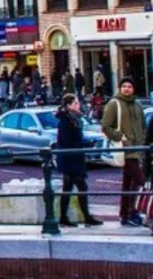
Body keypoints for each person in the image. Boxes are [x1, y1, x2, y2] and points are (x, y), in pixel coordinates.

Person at [101, 78, 147, 226]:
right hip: (124, 150)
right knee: (140, 181)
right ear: (120, 88)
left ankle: (125, 215)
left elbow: (143, 126)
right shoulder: (114, 104)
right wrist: (121, 137)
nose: (127, 89)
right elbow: (106, 127)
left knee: (128, 183)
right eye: (124, 86)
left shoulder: (138, 105)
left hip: (137, 149)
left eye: (129, 86)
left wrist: (143, 141)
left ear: (133, 89)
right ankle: (132, 211)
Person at [56, 93, 102, 227]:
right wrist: (85, 144)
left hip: (74, 158)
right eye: (75, 103)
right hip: (70, 160)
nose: (78, 105)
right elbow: (68, 142)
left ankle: (66, 217)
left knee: (69, 188)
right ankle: (84, 217)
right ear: (69, 106)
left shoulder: (74, 119)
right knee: (79, 187)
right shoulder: (66, 121)